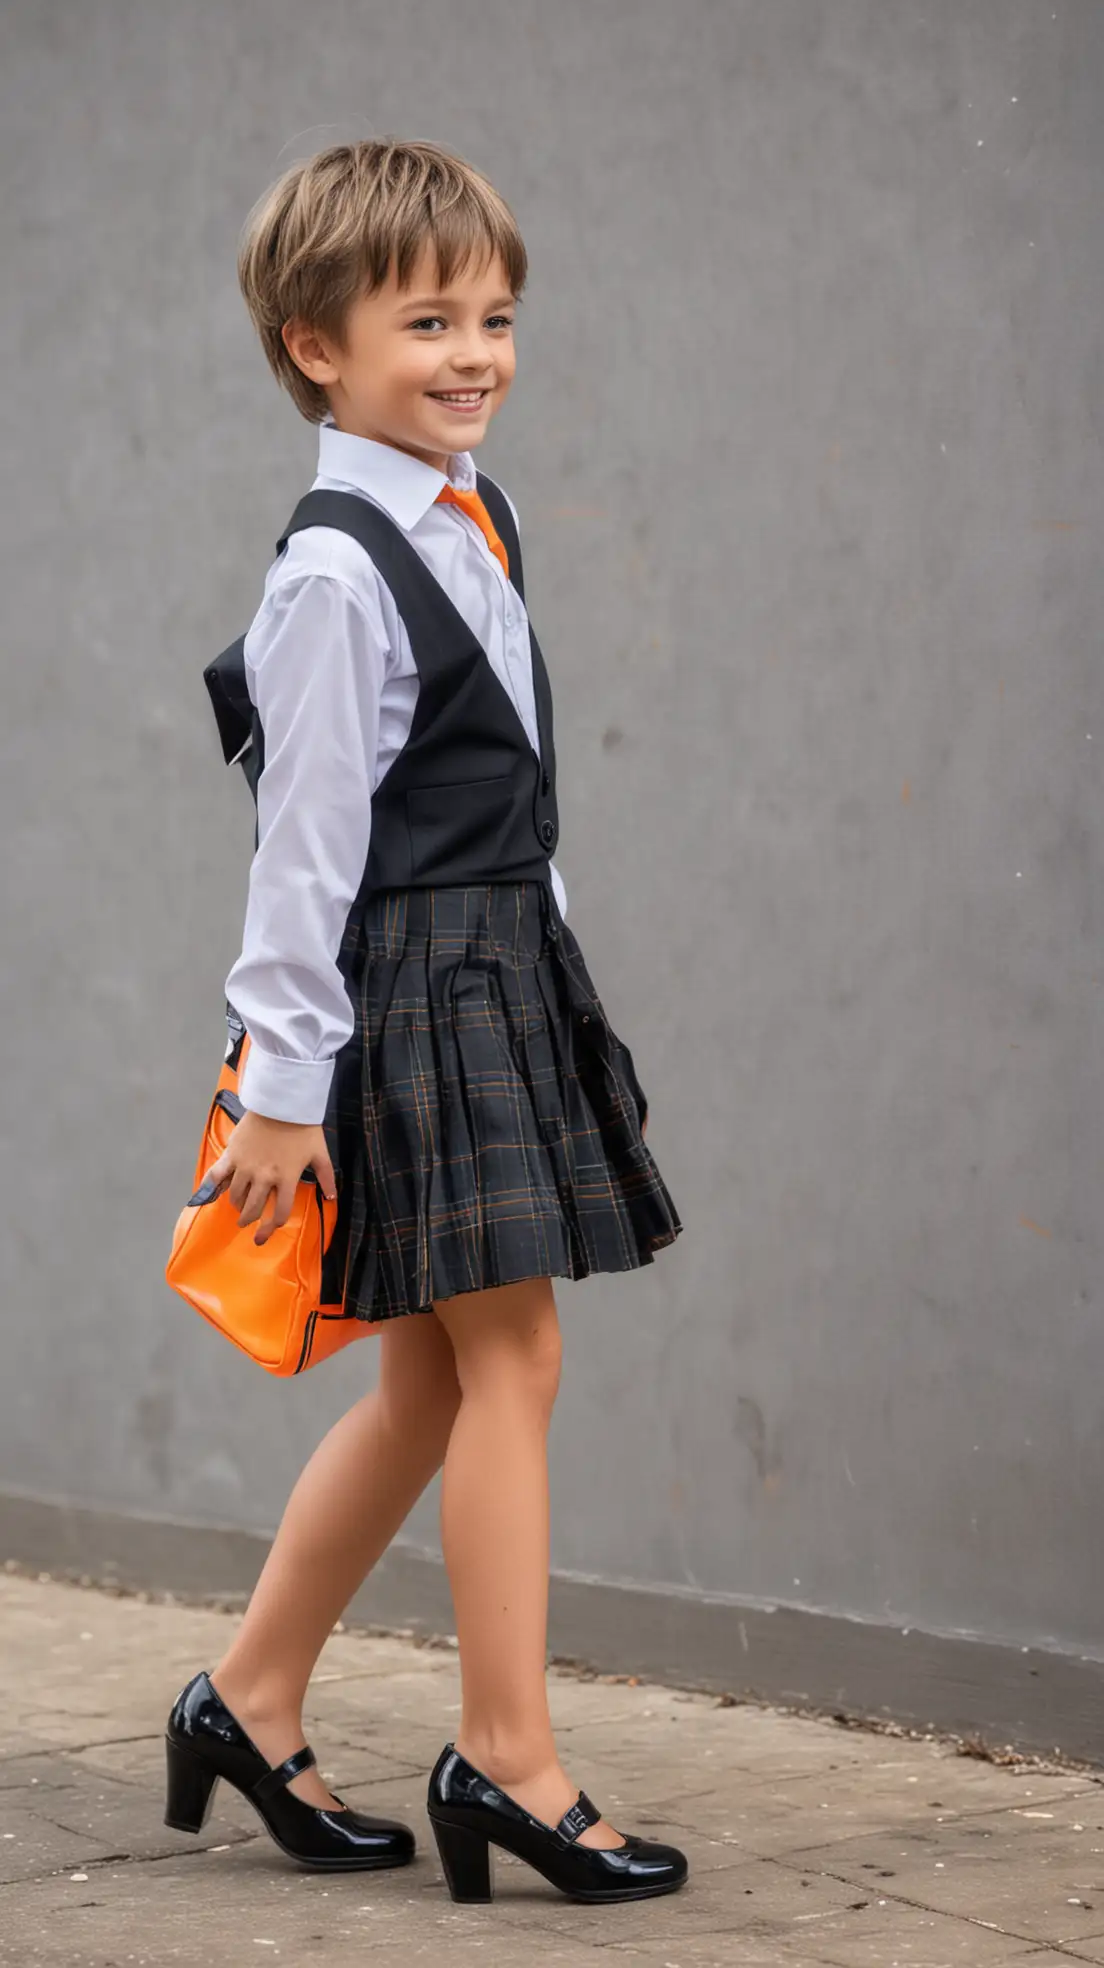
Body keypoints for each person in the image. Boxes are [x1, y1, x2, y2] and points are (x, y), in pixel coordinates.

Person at [163, 137, 686, 1905]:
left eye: (497, 316)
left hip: (497, 980)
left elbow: (498, 787)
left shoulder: (477, 509)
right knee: (511, 1361)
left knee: (428, 1379)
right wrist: (282, 1099)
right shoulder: (331, 577)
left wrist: (553, 981)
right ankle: (513, 1762)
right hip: (408, 1000)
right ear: (318, 343)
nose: (476, 353)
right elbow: (300, 866)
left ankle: (245, 1697)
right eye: (430, 319)